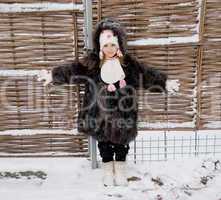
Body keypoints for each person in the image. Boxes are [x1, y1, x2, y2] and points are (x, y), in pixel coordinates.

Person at [38, 18, 169, 187]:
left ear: (119, 45)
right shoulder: (92, 64)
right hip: (97, 112)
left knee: (122, 144)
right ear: (100, 46)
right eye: (105, 45)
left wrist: (164, 83)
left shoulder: (129, 65)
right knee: (104, 143)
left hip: (124, 111)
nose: (109, 49)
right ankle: (108, 170)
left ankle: (120, 170)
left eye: (113, 45)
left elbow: (146, 74)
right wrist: (54, 76)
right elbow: (73, 70)